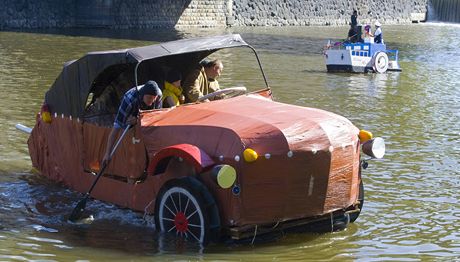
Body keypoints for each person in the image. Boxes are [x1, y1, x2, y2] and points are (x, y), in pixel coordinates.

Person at [102, 80, 162, 165]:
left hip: (145, 118)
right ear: (143, 95)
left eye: (153, 98)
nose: (152, 101)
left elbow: (155, 120)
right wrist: (107, 153)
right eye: (149, 98)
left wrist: (139, 120)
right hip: (131, 113)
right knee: (125, 126)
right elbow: (116, 127)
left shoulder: (158, 95)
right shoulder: (129, 99)